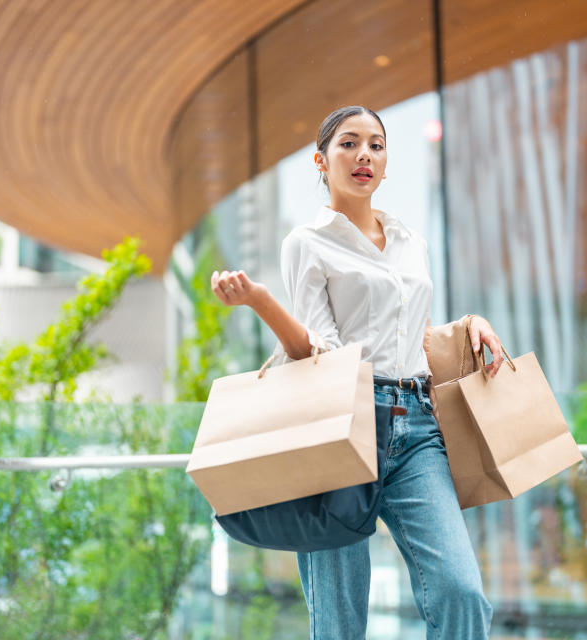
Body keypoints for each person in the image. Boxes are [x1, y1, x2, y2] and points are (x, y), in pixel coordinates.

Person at [210, 105, 496, 639]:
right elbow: (317, 353)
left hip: (417, 431)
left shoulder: (414, 244)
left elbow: (411, 335)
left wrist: (471, 323)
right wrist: (262, 301)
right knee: (340, 618)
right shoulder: (307, 243)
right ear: (321, 160)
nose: (364, 154)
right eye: (348, 143)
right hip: (341, 427)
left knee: (462, 592)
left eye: (376, 145)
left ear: (385, 164)